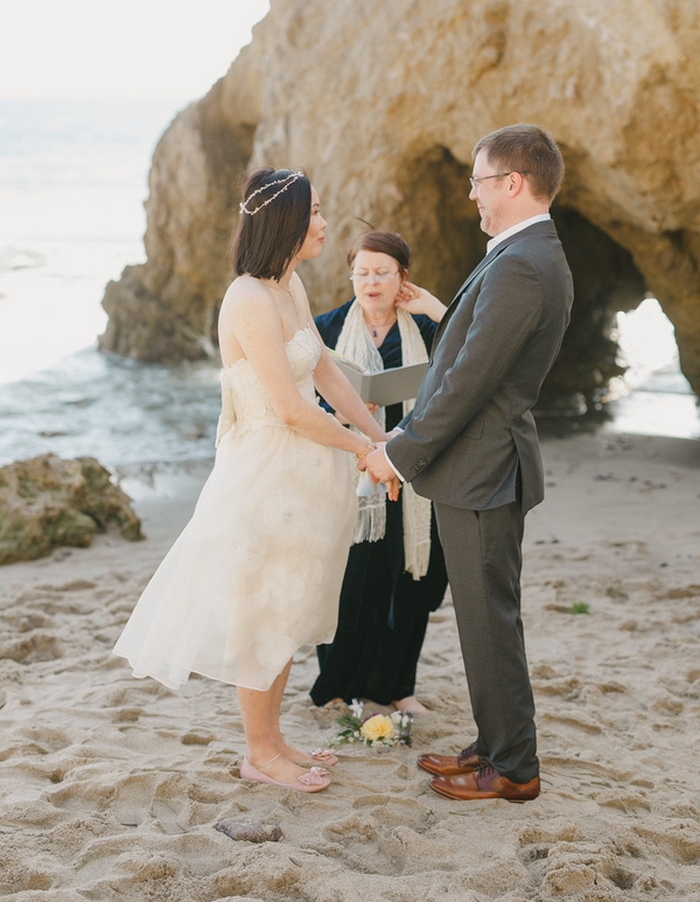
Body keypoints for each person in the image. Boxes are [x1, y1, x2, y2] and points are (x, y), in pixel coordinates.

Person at [114, 168, 392, 794]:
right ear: (286, 221)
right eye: (315, 212)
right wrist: (361, 451)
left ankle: (275, 742)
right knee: (261, 612)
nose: (324, 224)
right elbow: (289, 409)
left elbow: (323, 372)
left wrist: (379, 438)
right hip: (265, 471)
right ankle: (259, 752)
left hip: (306, 471)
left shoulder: (287, 285)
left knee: (288, 608)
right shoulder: (246, 298)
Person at [360, 125, 574, 802]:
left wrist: (397, 453)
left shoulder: (521, 263)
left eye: (480, 181)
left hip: (483, 468)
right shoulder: (522, 254)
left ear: (513, 183)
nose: (473, 195)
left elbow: (468, 383)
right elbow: (476, 349)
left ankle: (513, 768)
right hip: (481, 465)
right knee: (485, 616)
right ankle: (493, 744)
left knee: (489, 620)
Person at [309, 230, 449, 715]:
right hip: (350, 472)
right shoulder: (325, 329)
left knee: (413, 582)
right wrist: (347, 411)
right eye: (362, 272)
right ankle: (337, 686)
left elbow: (475, 355)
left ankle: (396, 688)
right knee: (349, 582)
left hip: (413, 473)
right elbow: (297, 397)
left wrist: (432, 307)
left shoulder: (428, 332)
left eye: (383, 272)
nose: (371, 282)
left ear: (402, 278)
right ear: (351, 275)